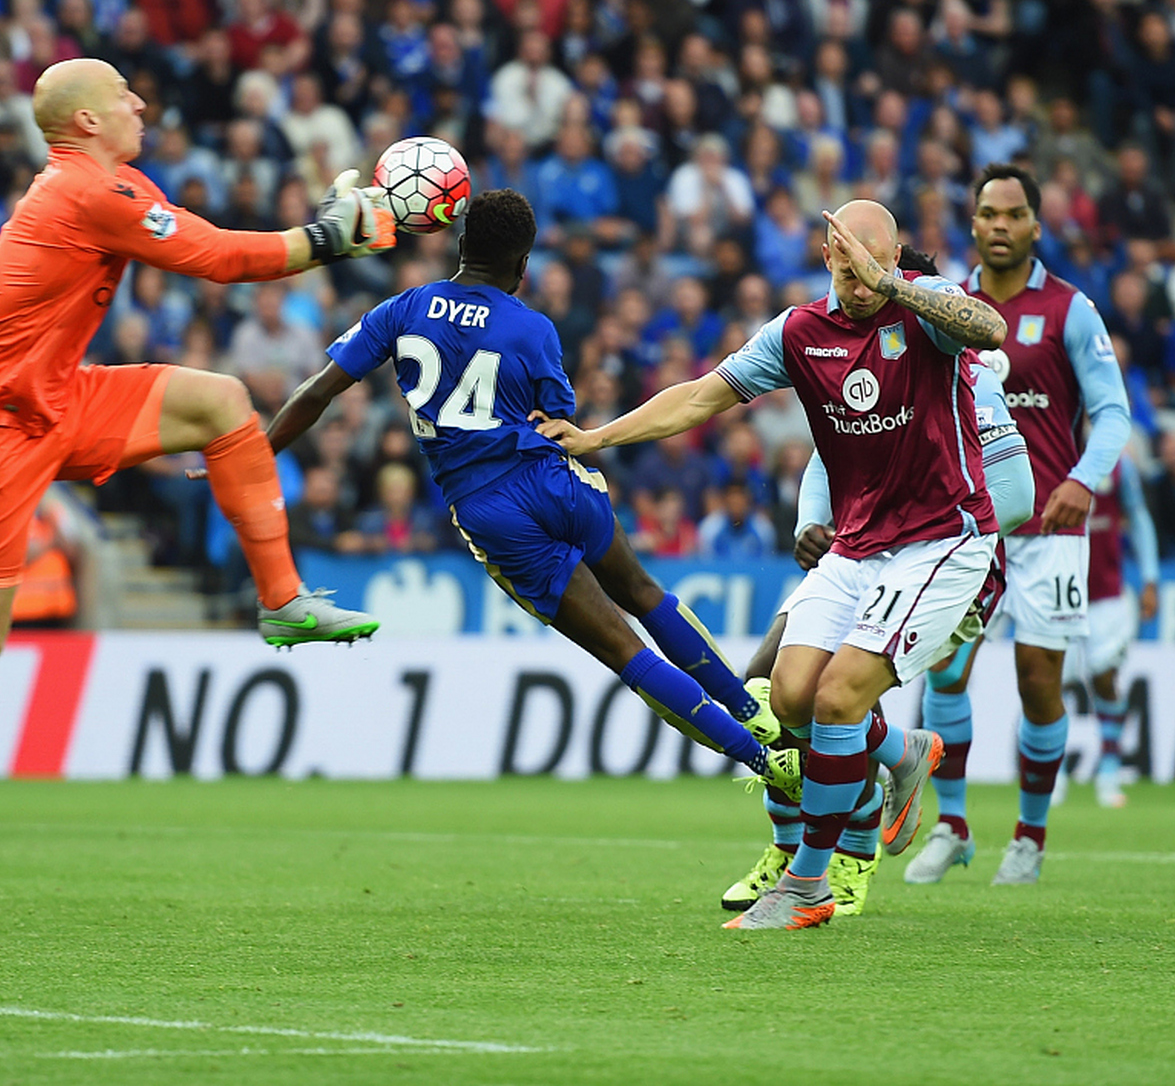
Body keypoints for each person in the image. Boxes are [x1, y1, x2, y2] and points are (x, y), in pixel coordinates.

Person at [0, 58, 393, 923]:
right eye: (123, 94)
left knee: (222, 402)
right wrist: (325, 237)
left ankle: (281, 600)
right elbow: (216, 259)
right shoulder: (82, 193)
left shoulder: (115, 182)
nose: (140, 101)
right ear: (84, 121)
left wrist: (327, 231)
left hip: (60, 394)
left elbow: (206, 239)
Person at [538, 200, 1010, 929]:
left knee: (838, 698)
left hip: (942, 538)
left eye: (874, 264)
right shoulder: (798, 333)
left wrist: (896, 288)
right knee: (784, 698)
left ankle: (810, 884)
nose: (860, 281)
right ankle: (904, 749)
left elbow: (990, 328)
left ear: (893, 256)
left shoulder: (925, 310)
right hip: (856, 546)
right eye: (848, 265)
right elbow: (698, 398)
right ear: (827, 257)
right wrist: (594, 438)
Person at [266, 189, 798, 796]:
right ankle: (756, 713)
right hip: (555, 479)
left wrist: (258, 449)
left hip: (491, 508)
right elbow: (558, 418)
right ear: (524, 266)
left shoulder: (403, 309)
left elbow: (318, 390)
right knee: (645, 593)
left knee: (625, 651)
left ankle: (766, 762)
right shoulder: (534, 327)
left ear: (461, 246)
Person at [719, 247, 1036, 919]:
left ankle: (844, 862)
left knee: (843, 698)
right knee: (774, 686)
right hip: (861, 549)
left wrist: (909, 513)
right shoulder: (837, 350)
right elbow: (843, 454)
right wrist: (815, 520)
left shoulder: (960, 369)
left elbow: (1014, 496)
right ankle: (830, 815)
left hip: (945, 553)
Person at [912, 164, 1133, 886]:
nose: (999, 225)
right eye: (987, 213)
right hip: (967, 528)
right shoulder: (948, 305)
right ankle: (951, 827)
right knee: (945, 673)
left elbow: (1112, 414)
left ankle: (1029, 837)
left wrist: (1080, 480)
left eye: (1013, 214)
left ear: (1037, 225)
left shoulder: (1071, 309)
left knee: (1040, 682)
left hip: (1049, 533)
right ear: (971, 224)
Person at [1062, 452, 1159, 810]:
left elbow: (1138, 514)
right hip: (1059, 591)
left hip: (1107, 594)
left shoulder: (1118, 464)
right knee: (1051, 683)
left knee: (1104, 677)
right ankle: (1052, 773)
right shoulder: (1050, 452)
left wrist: (1150, 577)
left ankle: (1109, 770)